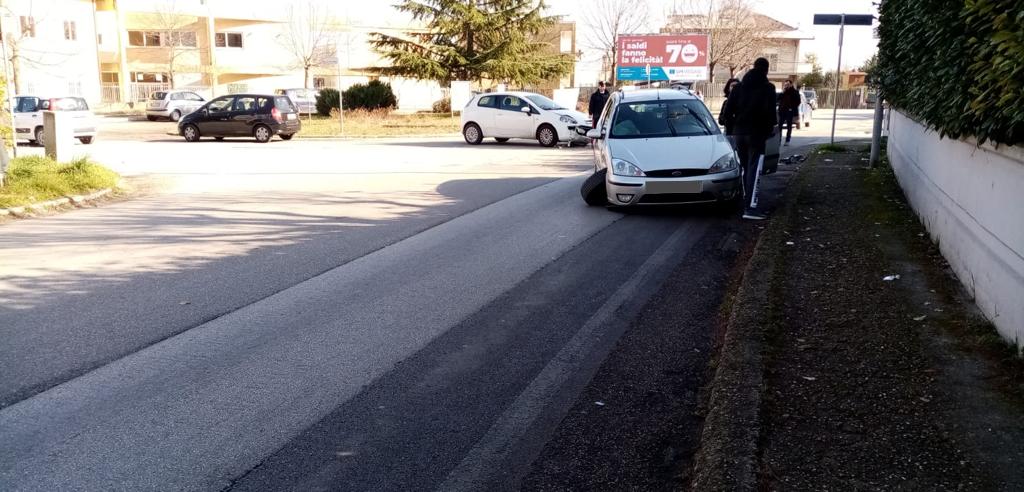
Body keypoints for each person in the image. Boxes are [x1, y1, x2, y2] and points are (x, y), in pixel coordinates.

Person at [724, 57, 777, 220]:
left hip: (739, 133)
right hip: (757, 134)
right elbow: (770, 114)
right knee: (755, 169)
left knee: (745, 168)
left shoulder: (738, 87)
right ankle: (751, 209)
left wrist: (734, 128)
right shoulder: (768, 88)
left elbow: (727, 111)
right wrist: (769, 131)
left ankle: (744, 203)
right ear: (766, 70)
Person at [778, 79, 801, 146]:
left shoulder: (795, 92)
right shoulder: (784, 92)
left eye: (788, 84)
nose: (786, 86)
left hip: (789, 111)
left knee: (789, 126)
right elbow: (778, 99)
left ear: (791, 84)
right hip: (782, 111)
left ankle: (787, 140)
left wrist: (792, 107)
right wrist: (783, 92)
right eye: (785, 84)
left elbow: (798, 101)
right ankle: (778, 140)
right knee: (779, 126)